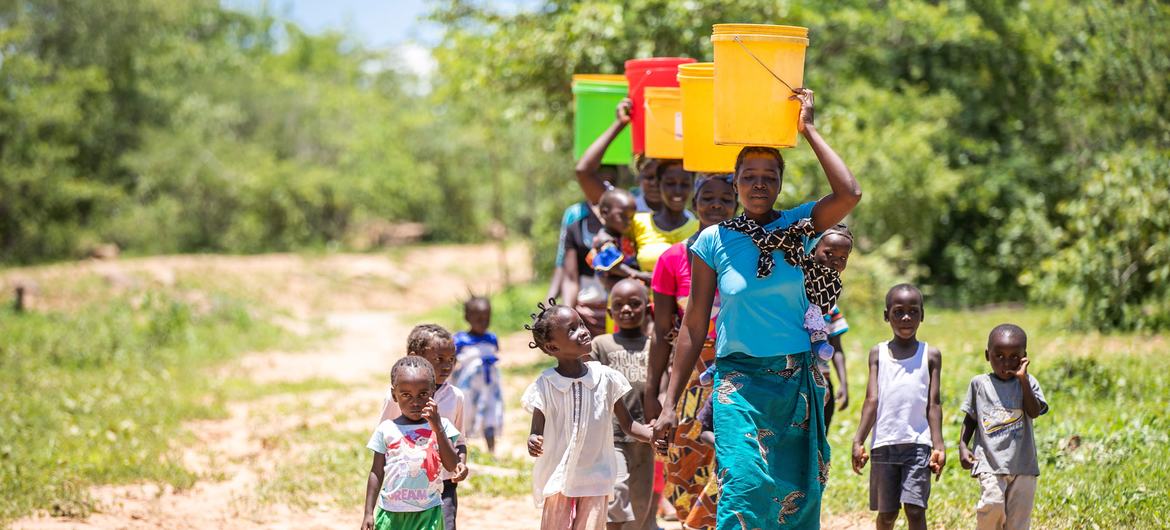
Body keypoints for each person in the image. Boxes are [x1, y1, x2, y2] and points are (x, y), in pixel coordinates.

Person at [652, 88, 863, 529]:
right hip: (737, 383)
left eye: (770, 175)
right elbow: (692, 327)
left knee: (795, 494)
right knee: (743, 485)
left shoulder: (798, 225)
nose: (759, 183)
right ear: (735, 181)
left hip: (795, 382)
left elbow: (849, 192)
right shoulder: (713, 240)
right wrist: (670, 402)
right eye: (749, 175)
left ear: (781, 183)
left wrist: (807, 128)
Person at [645, 173, 736, 529]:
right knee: (685, 461)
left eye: (726, 199)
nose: (716, 205)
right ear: (695, 204)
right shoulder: (672, 259)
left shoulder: (748, 257)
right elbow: (661, 332)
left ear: (737, 205)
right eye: (708, 198)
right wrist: (655, 393)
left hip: (739, 367)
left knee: (732, 458)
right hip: (690, 374)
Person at [522, 300, 656, 530]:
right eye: (572, 330)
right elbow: (536, 431)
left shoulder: (606, 378)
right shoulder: (546, 384)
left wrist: (653, 436)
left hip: (596, 476)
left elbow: (628, 424)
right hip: (560, 476)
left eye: (581, 324)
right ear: (553, 348)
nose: (583, 331)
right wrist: (533, 440)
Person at [851, 284, 946, 530]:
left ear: (922, 315)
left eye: (913, 311)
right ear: (886, 316)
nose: (906, 317)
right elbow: (872, 400)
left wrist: (939, 444)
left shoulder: (931, 355)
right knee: (888, 513)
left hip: (918, 444)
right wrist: (858, 440)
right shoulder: (878, 353)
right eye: (898, 312)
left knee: (915, 510)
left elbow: (933, 404)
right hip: (884, 444)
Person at [378, 324, 469, 530]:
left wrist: (460, 464)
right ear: (415, 357)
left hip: (443, 485)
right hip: (405, 488)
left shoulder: (455, 397)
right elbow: (384, 438)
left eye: (451, 359)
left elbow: (460, 441)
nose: (447, 366)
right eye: (438, 359)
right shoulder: (396, 398)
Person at [959, 324, 1049, 530]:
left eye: (1014, 357)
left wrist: (1023, 379)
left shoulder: (1028, 382)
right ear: (986, 355)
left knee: (1018, 520)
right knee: (992, 505)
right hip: (989, 462)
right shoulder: (979, 384)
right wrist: (963, 445)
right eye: (998, 356)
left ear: (1024, 357)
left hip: (1023, 464)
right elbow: (971, 418)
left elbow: (1034, 412)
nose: (1006, 363)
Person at [362, 356, 461, 530]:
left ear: (433, 393)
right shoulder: (386, 429)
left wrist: (437, 428)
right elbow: (376, 472)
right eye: (406, 395)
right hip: (391, 513)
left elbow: (452, 465)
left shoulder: (443, 426)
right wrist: (368, 512)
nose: (415, 402)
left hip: (428, 512)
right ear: (394, 395)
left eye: (423, 394)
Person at [590, 279, 655, 530]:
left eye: (634, 303)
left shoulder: (655, 346)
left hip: (644, 435)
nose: (626, 309)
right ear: (610, 312)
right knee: (616, 492)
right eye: (619, 305)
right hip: (611, 434)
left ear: (647, 308)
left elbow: (662, 384)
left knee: (640, 503)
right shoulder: (601, 345)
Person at [563, 188, 639, 336]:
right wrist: (641, 275)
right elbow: (613, 266)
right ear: (604, 213)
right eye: (622, 216)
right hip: (596, 308)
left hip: (620, 305)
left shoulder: (624, 237)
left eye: (630, 218)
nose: (627, 222)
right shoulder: (603, 239)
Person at [809, 225, 855, 428]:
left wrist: (844, 384)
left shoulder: (831, 306)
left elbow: (836, 346)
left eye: (842, 258)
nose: (835, 261)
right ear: (813, 249)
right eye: (828, 253)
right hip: (792, 378)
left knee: (819, 440)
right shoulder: (796, 295)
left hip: (822, 383)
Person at [452, 296, 505, 455]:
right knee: (466, 415)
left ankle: (491, 451)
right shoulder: (460, 340)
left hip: (490, 386)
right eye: (479, 318)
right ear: (467, 317)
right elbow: (453, 363)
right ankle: (460, 448)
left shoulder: (492, 338)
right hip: (468, 387)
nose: (484, 322)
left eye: (487, 318)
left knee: (491, 414)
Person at [629, 160, 699, 274]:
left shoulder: (701, 230)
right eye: (670, 183)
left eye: (685, 184)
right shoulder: (637, 223)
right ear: (659, 184)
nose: (677, 191)